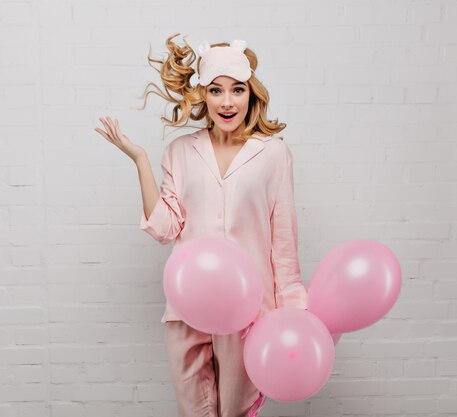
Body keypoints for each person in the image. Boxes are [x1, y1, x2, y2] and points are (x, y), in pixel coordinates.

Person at [94, 33, 308, 417]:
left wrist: (290, 310)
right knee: (194, 411)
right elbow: (164, 229)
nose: (227, 102)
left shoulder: (273, 154)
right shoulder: (180, 152)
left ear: (251, 94)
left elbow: (284, 242)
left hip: (248, 311)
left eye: (237, 90)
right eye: (216, 90)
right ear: (203, 96)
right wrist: (140, 159)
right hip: (187, 305)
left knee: (237, 411)